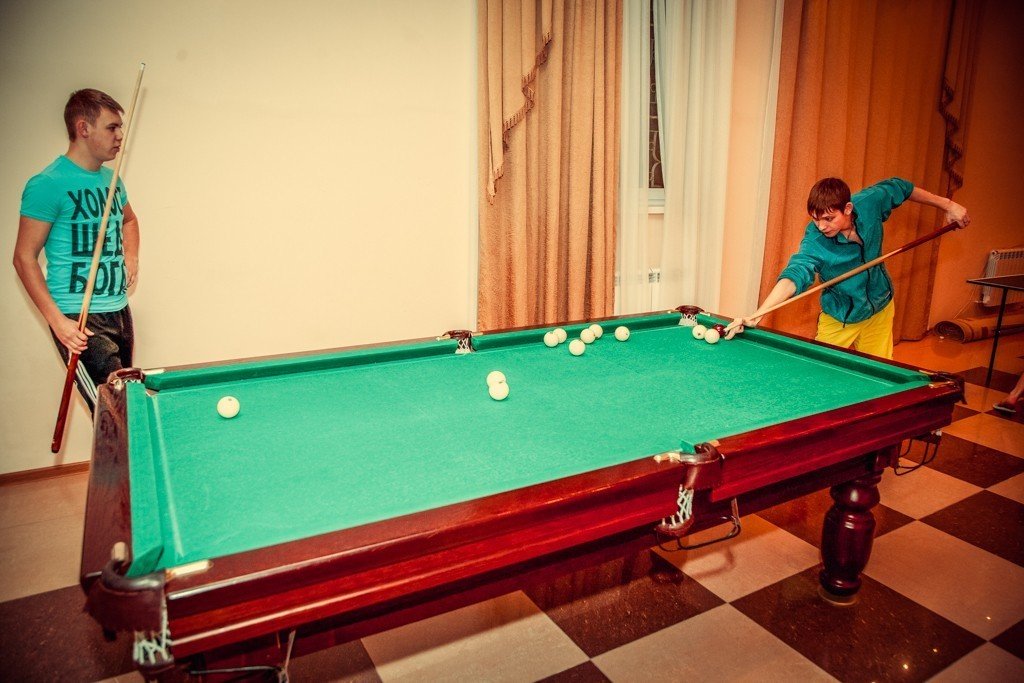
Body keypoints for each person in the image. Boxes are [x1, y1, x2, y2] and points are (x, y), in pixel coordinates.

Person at [724, 177, 969, 359]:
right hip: (840, 317)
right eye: (815, 219)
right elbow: (795, 273)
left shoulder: (870, 203)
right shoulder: (815, 240)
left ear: (848, 209)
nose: (821, 226)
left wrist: (948, 205)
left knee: (877, 379)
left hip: (880, 309)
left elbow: (902, 187)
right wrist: (759, 314)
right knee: (819, 377)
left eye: (828, 219)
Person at [13, 89, 140, 412]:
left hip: (119, 309)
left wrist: (131, 256)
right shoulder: (47, 184)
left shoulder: (112, 180)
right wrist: (58, 322)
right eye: (112, 127)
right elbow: (24, 258)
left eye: (120, 127)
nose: (120, 136)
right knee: (116, 411)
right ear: (84, 128)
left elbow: (129, 221)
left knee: (125, 407)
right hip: (79, 318)